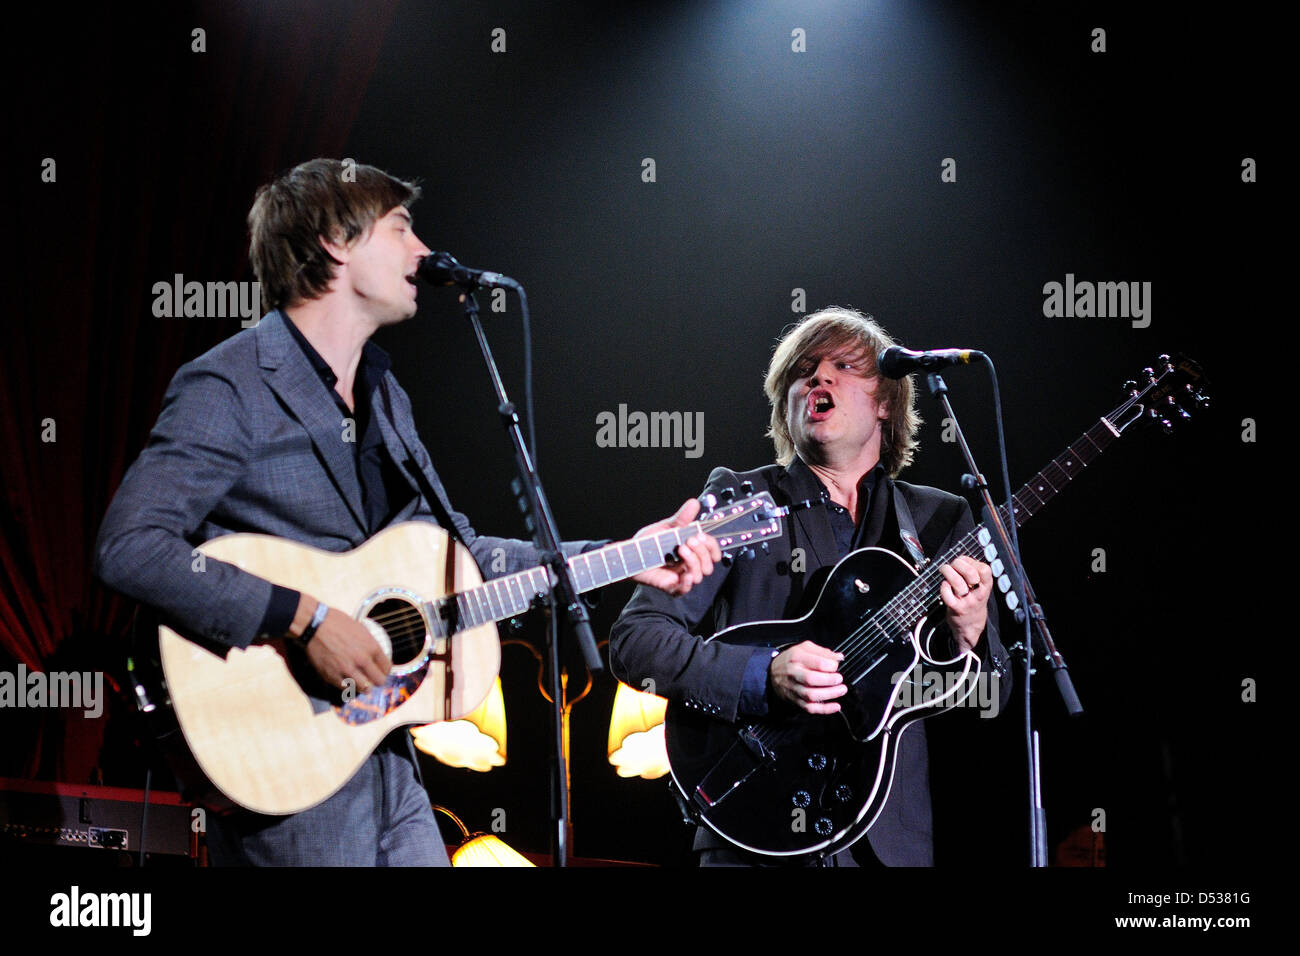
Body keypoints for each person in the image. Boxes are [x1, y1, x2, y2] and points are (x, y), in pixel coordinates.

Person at [94, 158, 719, 866]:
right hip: (289, 756)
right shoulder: (231, 383)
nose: (422, 251)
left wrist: (626, 551)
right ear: (335, 240)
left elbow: (459, 557)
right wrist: (306, 618)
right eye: (401, 228)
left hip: (386, 754)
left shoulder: (384, 394)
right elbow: (130, 546)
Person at [610, 306, 1012, 866]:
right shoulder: (741, 502)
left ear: (885, 404)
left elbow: (989, 699)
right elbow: (636, 641)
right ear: (787, 405)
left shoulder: (938, 519)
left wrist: (971, 636)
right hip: (752, 822)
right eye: (804, 370)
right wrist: (761, 676)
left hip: (887, 844)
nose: (818, 378)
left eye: (844, 366)